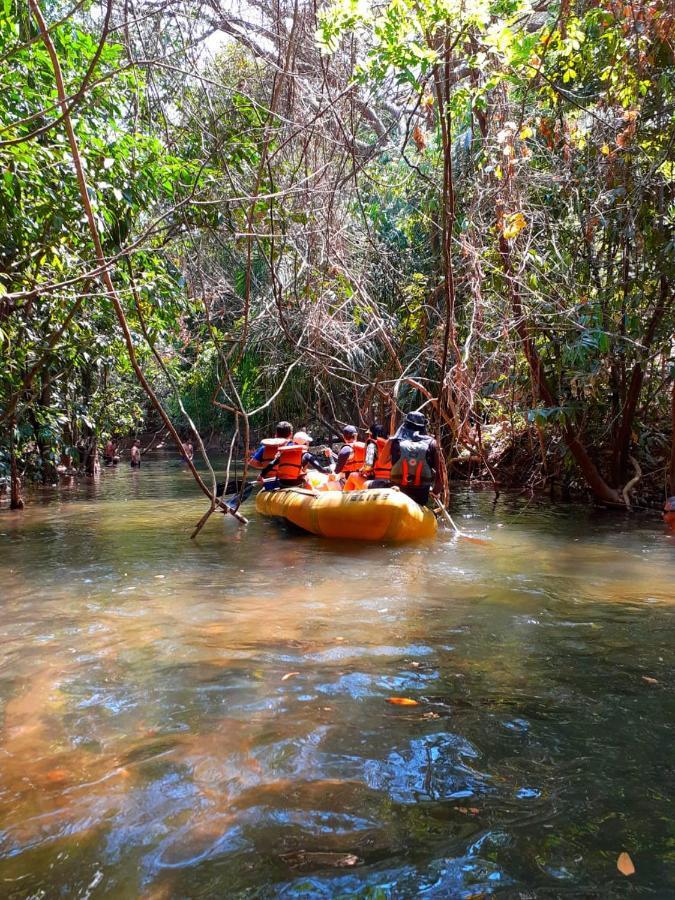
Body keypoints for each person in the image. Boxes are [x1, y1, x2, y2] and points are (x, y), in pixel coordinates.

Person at [388, 411, 442, 505]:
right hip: (420, 495)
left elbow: (382, 461)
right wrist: (435, 491)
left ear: (405, 425)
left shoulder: (395, 441)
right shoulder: (433, 443)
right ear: (423, 426)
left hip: (397, 493)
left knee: (368, 484)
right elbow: (441, 475)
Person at [260, 431, 332, 489]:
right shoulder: (307, 455)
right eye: (308, 443)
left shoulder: (284, 453)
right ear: (305, 443)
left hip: (282, 483)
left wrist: (261, 475)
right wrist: (330, 470)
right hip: (297, 483)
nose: (308, 444)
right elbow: (321, 470)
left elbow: (271, 464)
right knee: (308, 478)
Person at [363, 423, 392, 487]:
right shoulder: (391, 445)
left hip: (377, 481)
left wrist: (361, 470)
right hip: (392, 481)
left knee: (353, 475)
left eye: (369, 434)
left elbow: (368, 466)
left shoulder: (371, 444)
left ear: (371, 434)